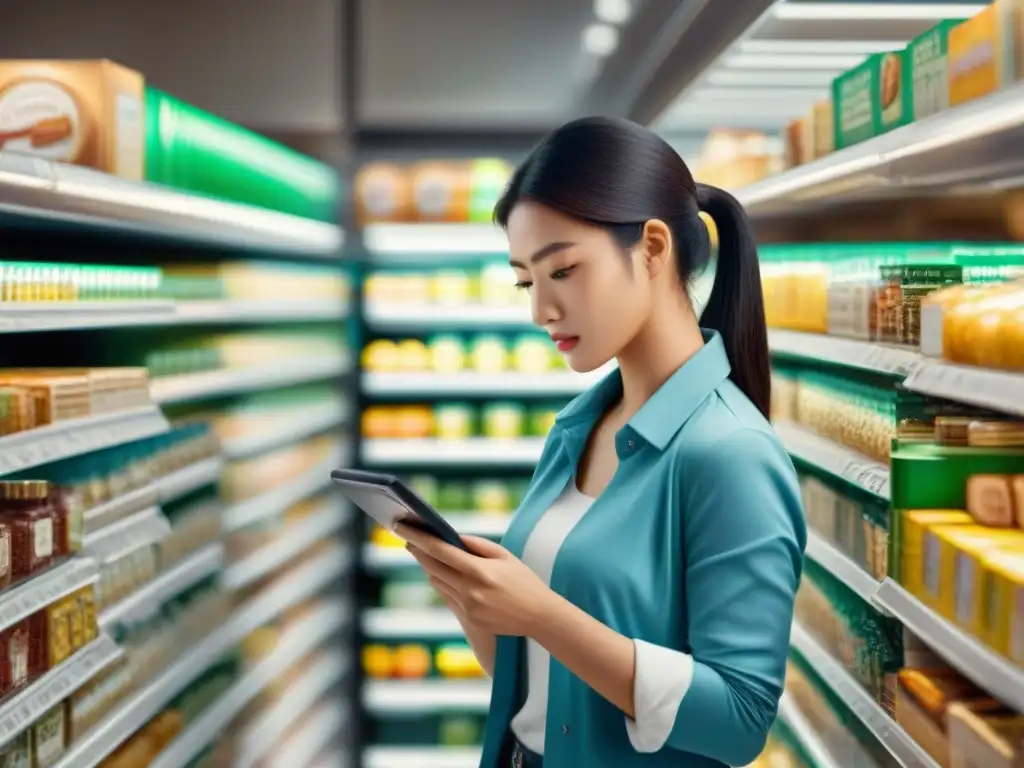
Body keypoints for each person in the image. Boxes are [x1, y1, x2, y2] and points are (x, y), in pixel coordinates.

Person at [395, 116, 806, 768]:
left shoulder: (730, 454)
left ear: (651, 247)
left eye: (563, 271)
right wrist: (479, 603)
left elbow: (740, 720)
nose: (541, 312)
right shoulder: (575, 433)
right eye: (527, 283)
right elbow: (540, 686)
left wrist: (542, 614)